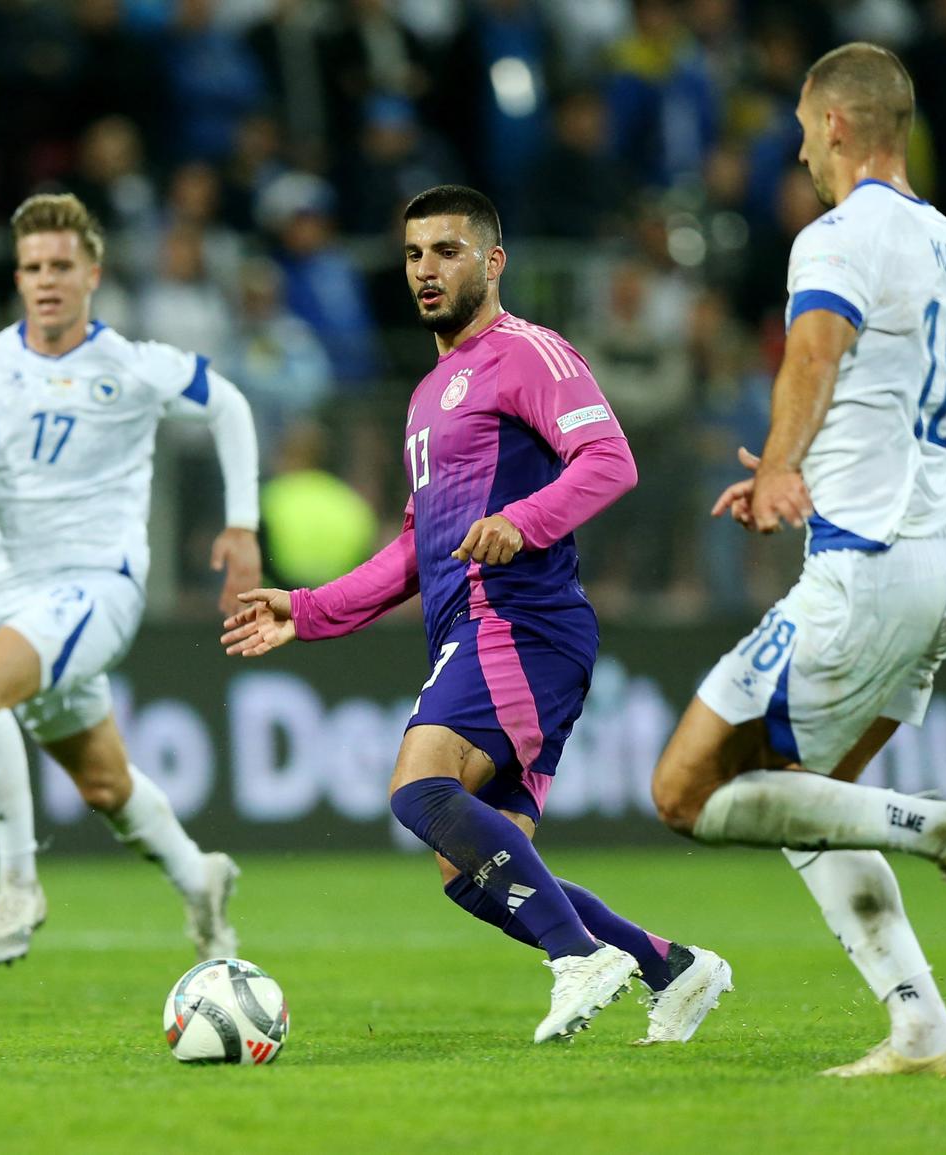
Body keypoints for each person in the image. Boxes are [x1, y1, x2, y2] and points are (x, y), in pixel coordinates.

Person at [221, 185, 732, 1045]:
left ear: (493, 262)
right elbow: (418, 547)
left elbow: (610, 459)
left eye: (448, 250)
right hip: (479, 624)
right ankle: (669, 966)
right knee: (471, 871)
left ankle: (577, 956)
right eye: (416, 253)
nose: (427, 269)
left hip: (519, 621)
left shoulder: (527, 353)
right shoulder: (430, 392)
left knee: (420, 786)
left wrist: (522, 521)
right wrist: (306, 610)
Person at [647, 44, 946, 1078]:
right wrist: (790, 465)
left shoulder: (840, 235)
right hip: (941, 557)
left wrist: (776, 466)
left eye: (808, 131)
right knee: (803, 803)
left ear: (839, 126)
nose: (803, 151)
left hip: (868, 564)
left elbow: (812, 351)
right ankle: (922, 1030)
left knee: (684, 790)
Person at [0, 193, 261, 967]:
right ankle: (199, 877)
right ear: (19, 276)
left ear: (92, 274)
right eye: (32, 266)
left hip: (100, 585)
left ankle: (17, 884)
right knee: (103, 784)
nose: (46, 280)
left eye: (62, 265)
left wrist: (242, 523)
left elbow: (228, 404)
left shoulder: (130, 365)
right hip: (12, 600)